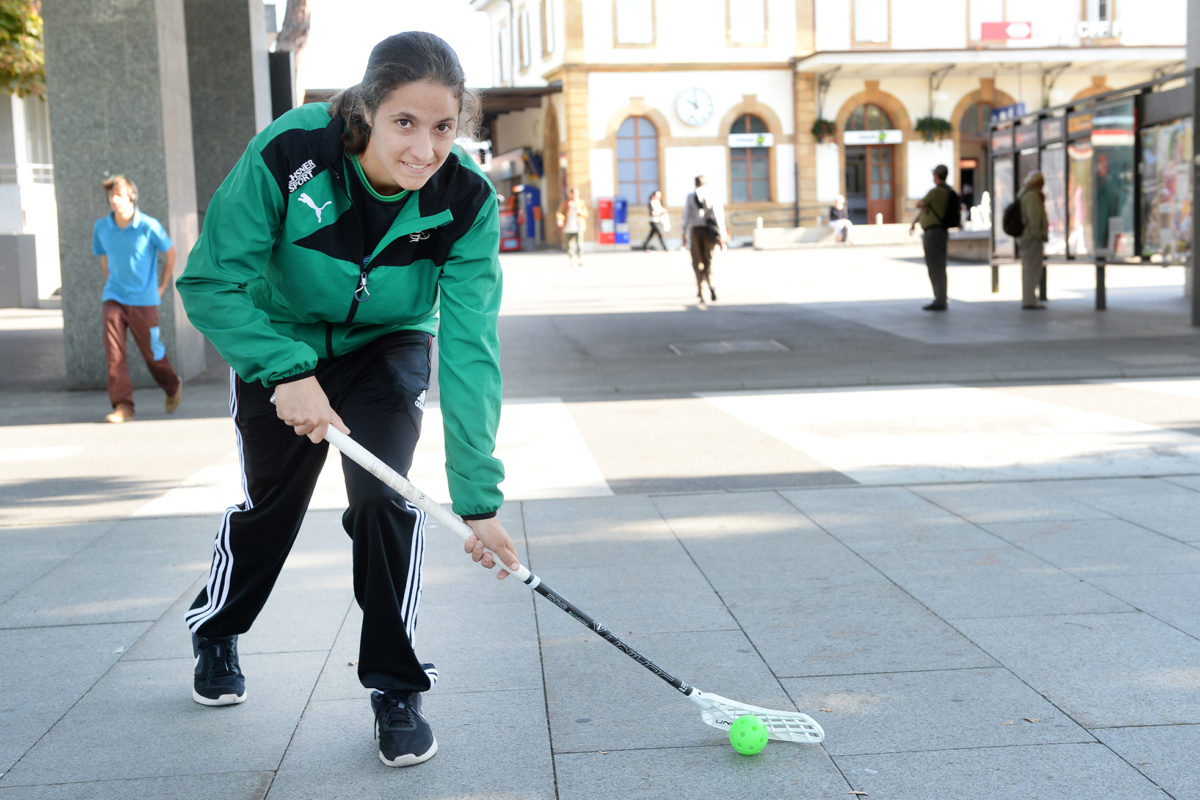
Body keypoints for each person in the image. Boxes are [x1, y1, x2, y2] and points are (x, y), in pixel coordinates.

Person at [175, 31, 522, 770]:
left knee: (383, 497)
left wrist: (479, 500)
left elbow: (469, 351)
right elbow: (208, 281)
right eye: (406, 122)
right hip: (278, 338)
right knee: (272, 505)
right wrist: (284, 369)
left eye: (443, 127)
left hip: (387, 346)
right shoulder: (292, 152)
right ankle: (218, 627)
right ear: (367, 109)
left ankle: (396, 686)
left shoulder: (464, 201)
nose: (425, 148)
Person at [92, 174, 183, 423]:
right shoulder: (102, 227)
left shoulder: (148, 226)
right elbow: (104, 258)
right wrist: (112, 283)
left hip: (144, 299)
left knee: (152, 353)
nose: (114, 200)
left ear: (131, 195)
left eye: (119, 195)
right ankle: (123, 406)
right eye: (111, 196)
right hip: (114, 297)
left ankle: (172, 384)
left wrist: (162, 285)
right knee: (114, 352)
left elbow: (170, 252)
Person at [909, 164, 954, 311]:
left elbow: (920, 204)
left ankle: (940, 299)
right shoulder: (948, 191)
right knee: (939, 265)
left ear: (937, 175)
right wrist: (915, 222)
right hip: (940, 231)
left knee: (935, 266)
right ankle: (941, 297)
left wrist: (914, 223)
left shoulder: (935, 192)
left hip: (934, 233)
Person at [681, 174, 726, 303]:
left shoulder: (691, 197)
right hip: (709, 232)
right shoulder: (712, 195)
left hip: (696, 231)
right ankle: (711, 285)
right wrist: (721, 235)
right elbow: (718, 216)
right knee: (709, 260)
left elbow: (686, 217)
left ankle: (701, 290)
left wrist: (684, 235)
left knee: (697, 261)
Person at [1018, 171, 1049, 310]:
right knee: (1032, 269)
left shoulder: (1026, 194)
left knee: (1029, 269)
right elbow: (1034, 219)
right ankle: (1029, 300)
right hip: (1031, 239)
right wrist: (1037, 235)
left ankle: (1029, 299)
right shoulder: (1032, 196)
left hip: (1027, 238)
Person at [556, 187, 587, 266]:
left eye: (576, 194)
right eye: (573, 194)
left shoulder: (581, 202)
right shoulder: (566, 202)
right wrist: (560, 219)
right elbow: (560, 212)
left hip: (579, 226)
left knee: (579, 243)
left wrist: (580, 211)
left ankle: (580, 258)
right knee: (570, 244)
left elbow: (586, 214)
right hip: (569, 226)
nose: (574, 195)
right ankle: (571, 258)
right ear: (570, 194)